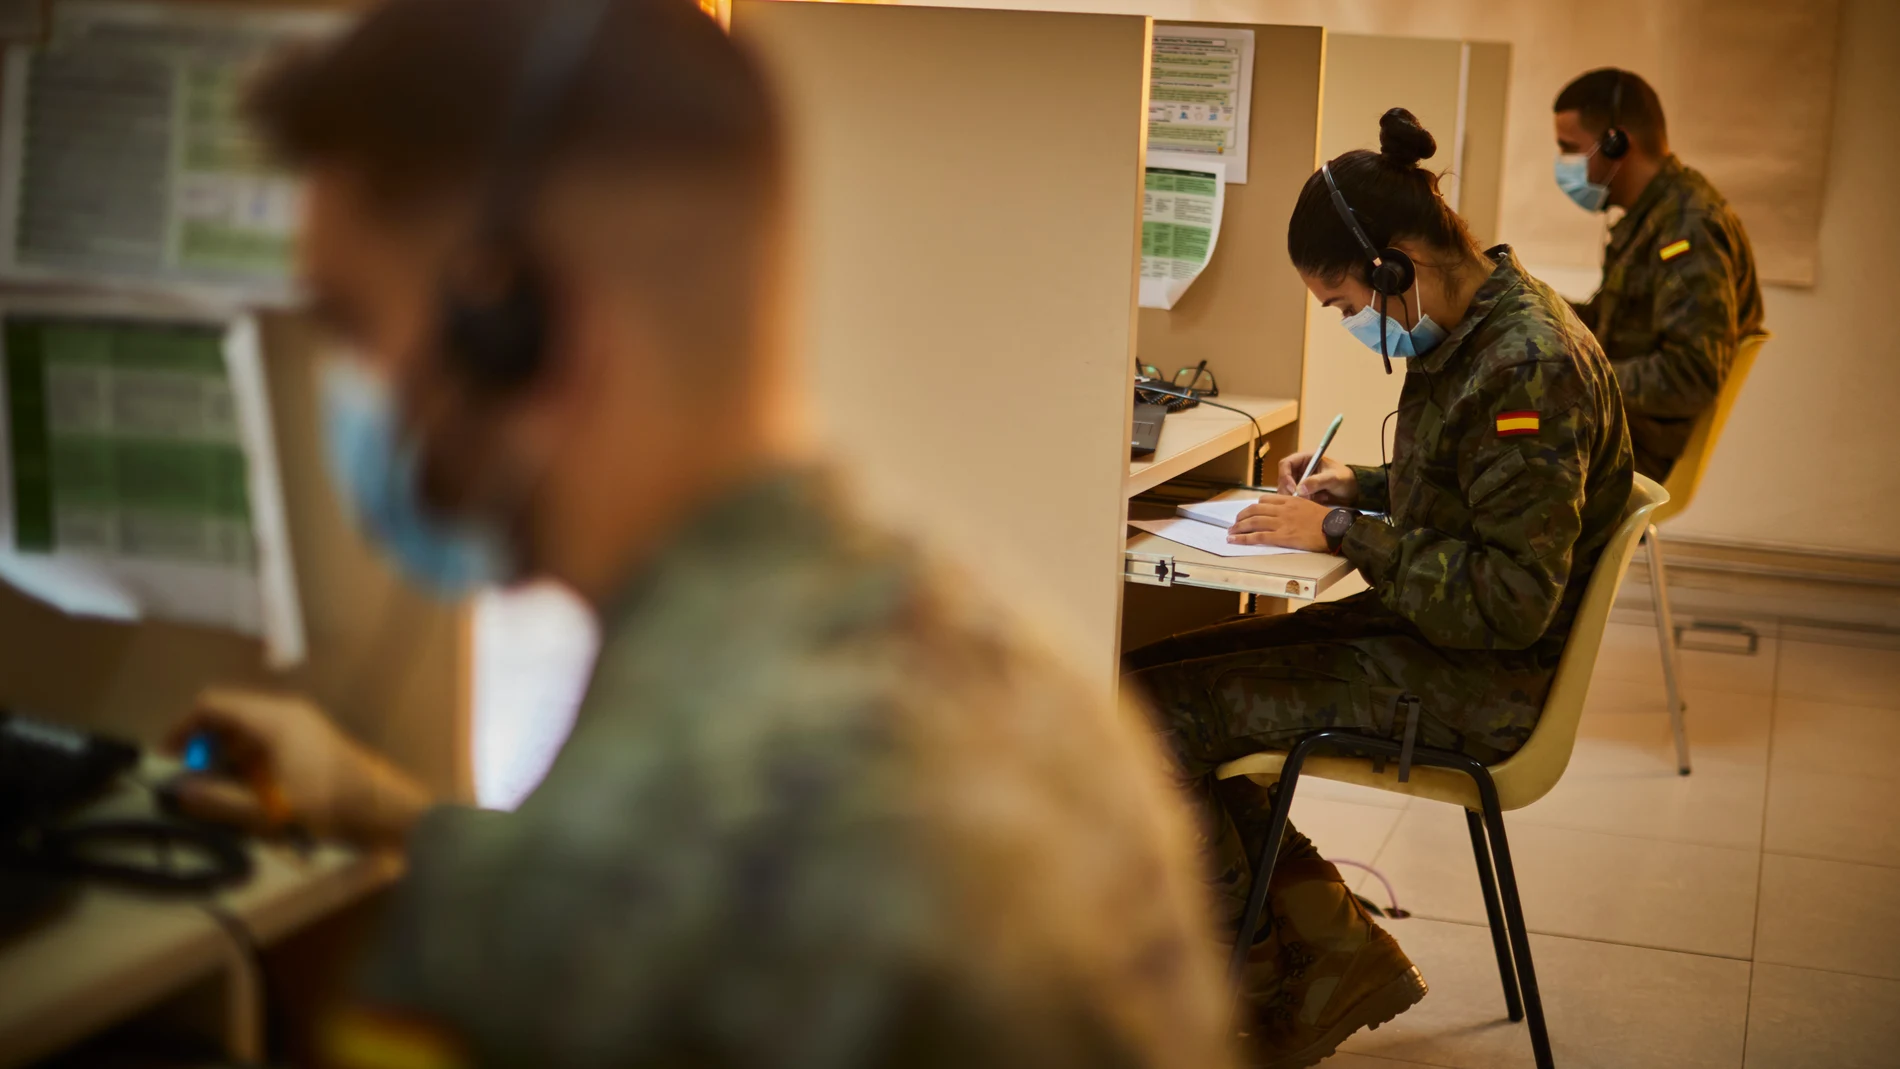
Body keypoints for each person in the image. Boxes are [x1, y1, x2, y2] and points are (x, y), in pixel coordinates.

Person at [165, 1, 1233, 1065]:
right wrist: (385, 813)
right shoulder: (990, 660)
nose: (349, 392)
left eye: (354, 326)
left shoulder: (657, 847)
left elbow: (665, 903)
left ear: (513, 329)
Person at [1123, 108, 1634, 1069]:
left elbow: (1509, 598)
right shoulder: (1482, 328)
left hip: (1480, 682)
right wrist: (1364, 484)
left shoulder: (1525, 367)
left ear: (1397, 264)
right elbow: (1474, 489)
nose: (1348, 321)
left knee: (1142, 716)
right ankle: (1325, 953)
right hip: (1434, 644)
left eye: (1340, 301)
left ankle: (1253, 986)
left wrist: (1345, 533)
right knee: (1140, 684)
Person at [1553, 67, 1764, 480]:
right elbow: (1613, 324)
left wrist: (1579, 375)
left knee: (1494, 443)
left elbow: (1691, 375)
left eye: (1570, 149)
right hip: (1620, 427)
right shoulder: (1654, 215)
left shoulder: (1689, 226)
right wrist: (1533, 308)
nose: (1565, 165)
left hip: (1637, 445)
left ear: (1616, 144)